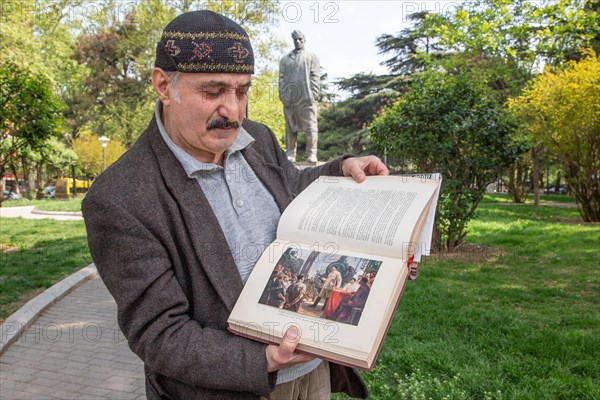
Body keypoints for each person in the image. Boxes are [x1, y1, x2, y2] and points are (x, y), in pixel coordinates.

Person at [83, 10, 388, 400]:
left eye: (242, 91)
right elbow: (160, 334)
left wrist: (340, 169)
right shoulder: (120, 198)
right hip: (232, 387)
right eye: (213, 92)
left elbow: (293, 188)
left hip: (314, 374)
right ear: (163, 85)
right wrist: (263, 360)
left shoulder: (257, 138)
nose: (234, 111)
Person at [279, 30, 320, 163]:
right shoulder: (285, 60)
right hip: (290, 99)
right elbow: (282, 79)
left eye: (300, 39)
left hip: (306, 97)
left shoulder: (311, 57)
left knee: (310, 127)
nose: (298, 41)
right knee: (290, 128)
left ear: (304, 40)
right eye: (295, 39)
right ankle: (290, 154)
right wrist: (283, 96)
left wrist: (314, 94)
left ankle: (312, 153)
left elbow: (315, 76)